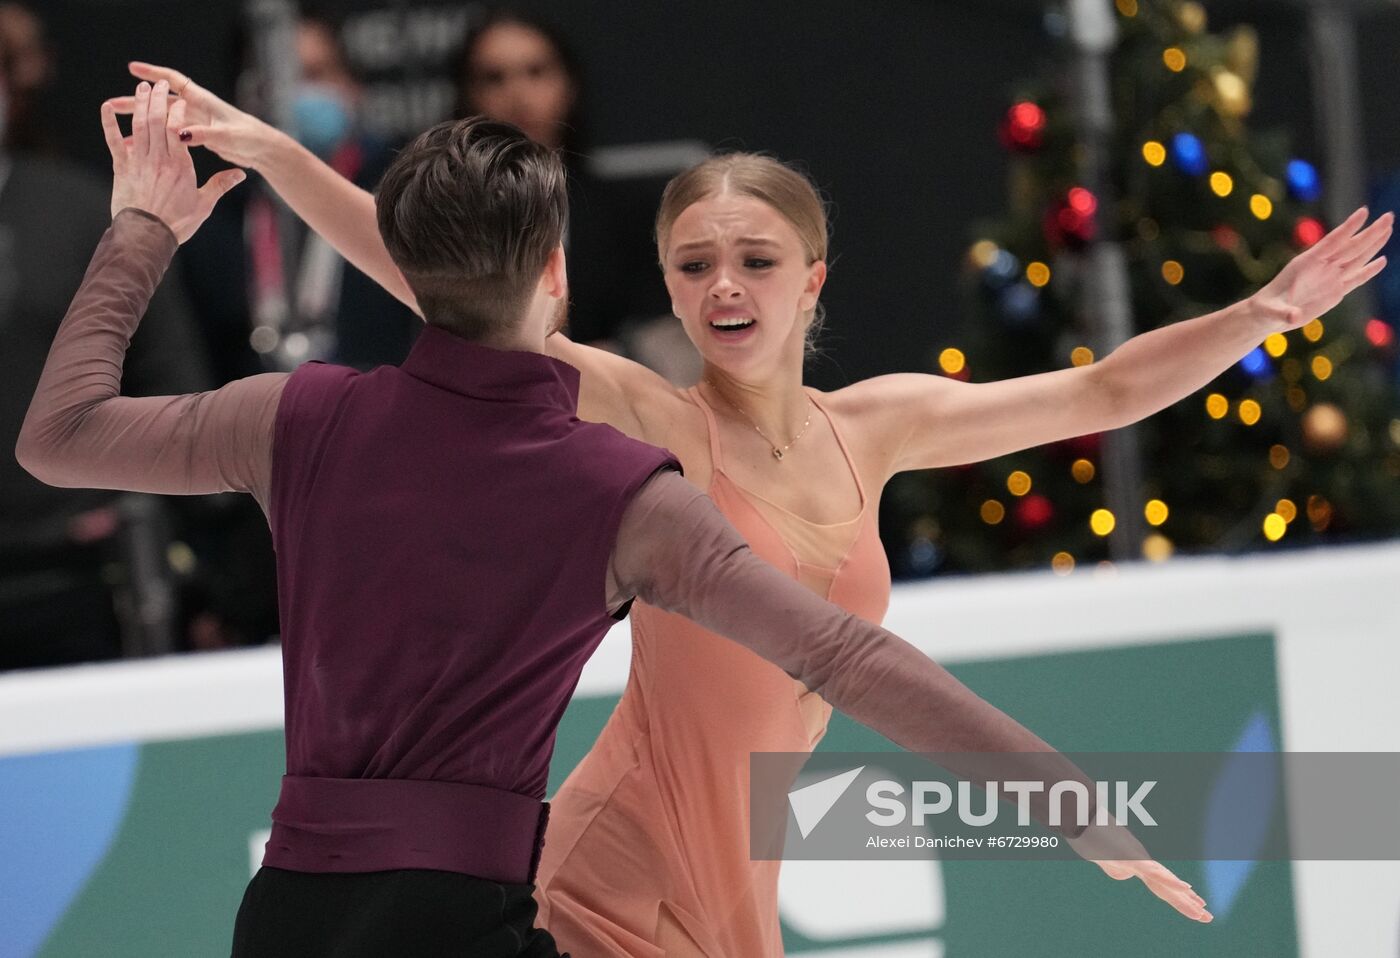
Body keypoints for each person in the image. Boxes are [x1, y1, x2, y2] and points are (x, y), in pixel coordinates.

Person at [122, 62, 1392, 957]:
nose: (722, 286)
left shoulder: (881, 422)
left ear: (811, 280)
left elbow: (1105, 387)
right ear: (667, 291)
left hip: (740, 869)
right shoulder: (644, 415)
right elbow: (440, 274)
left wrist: (1260, 314)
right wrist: (283, 156)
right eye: (692, 265)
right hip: (621, 860)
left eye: (754, 260)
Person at [455, 8, 701, 384]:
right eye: (494, 78)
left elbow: (670, 341)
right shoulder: (445, 219)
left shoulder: (631, 214)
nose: (518, 94)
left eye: (536, 71)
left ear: (569, 84)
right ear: (469, 96)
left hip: (611, 411)